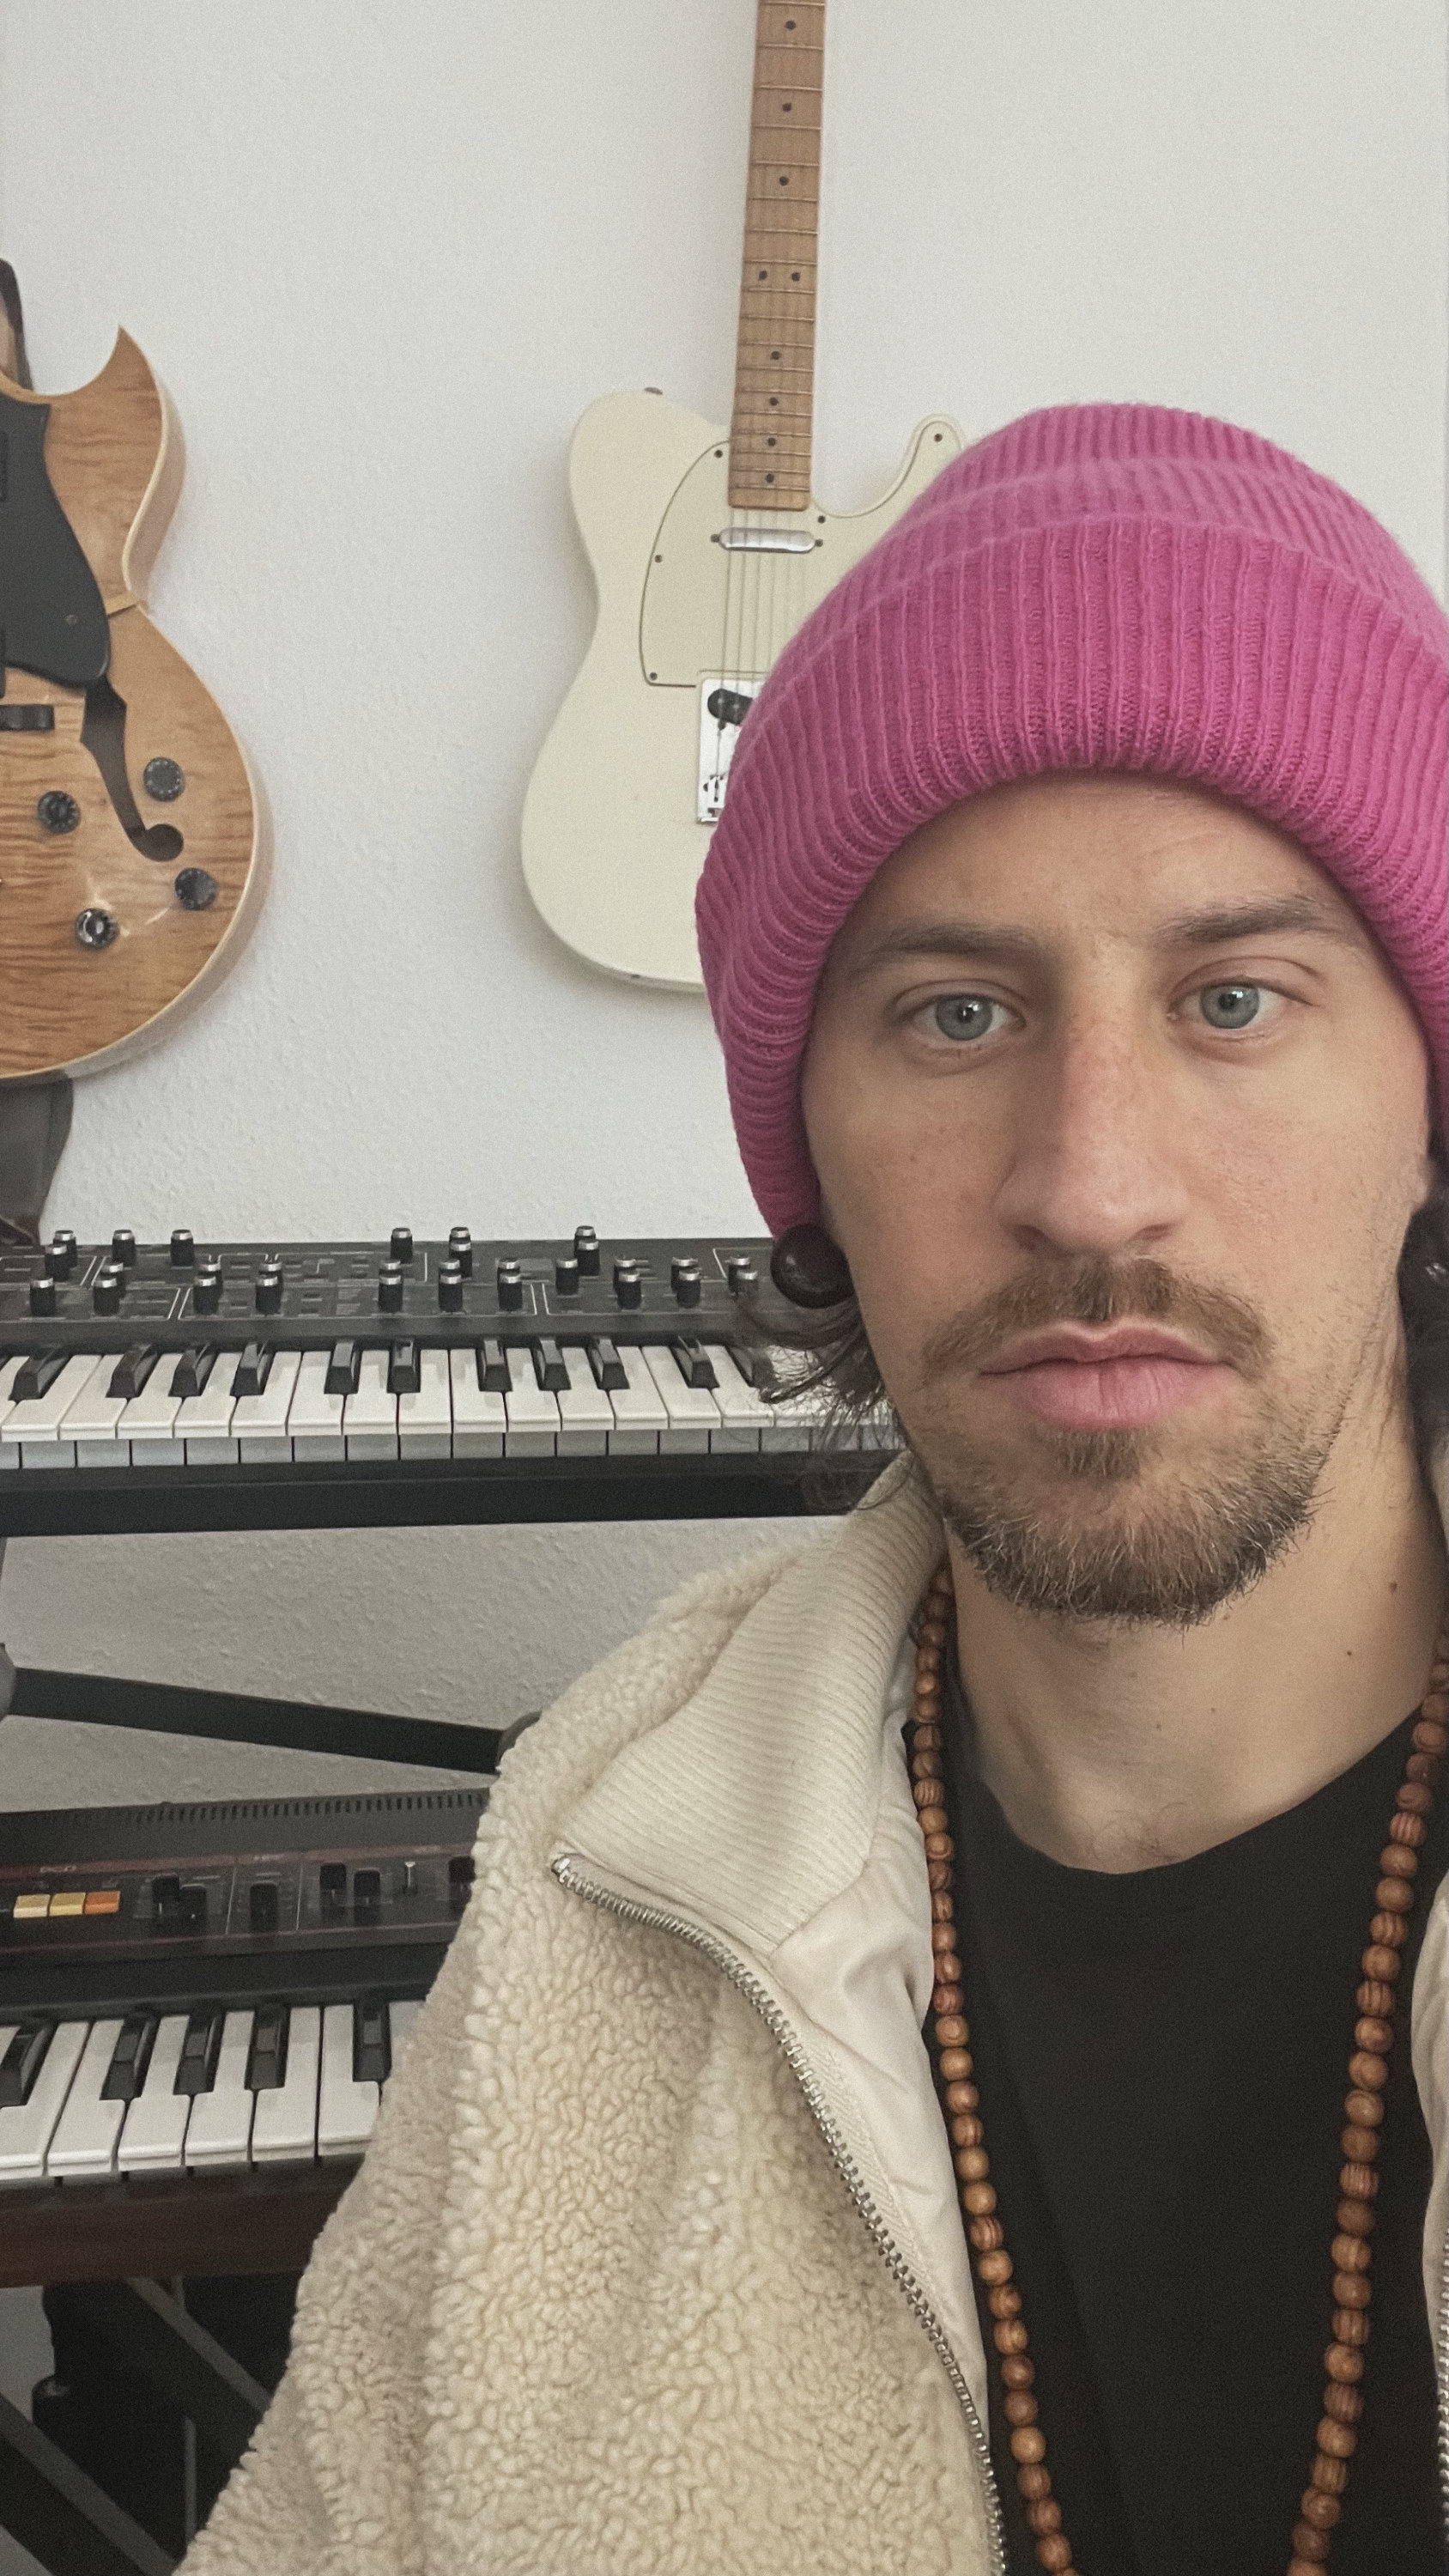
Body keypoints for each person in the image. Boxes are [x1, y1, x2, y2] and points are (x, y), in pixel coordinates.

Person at [181, 404, 1448, 2576]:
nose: (1090, 1186)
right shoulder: (603, 1857)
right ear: (808, 1157)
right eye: (956, 1017)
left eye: (1234, 1000)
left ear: (1424, 1116)